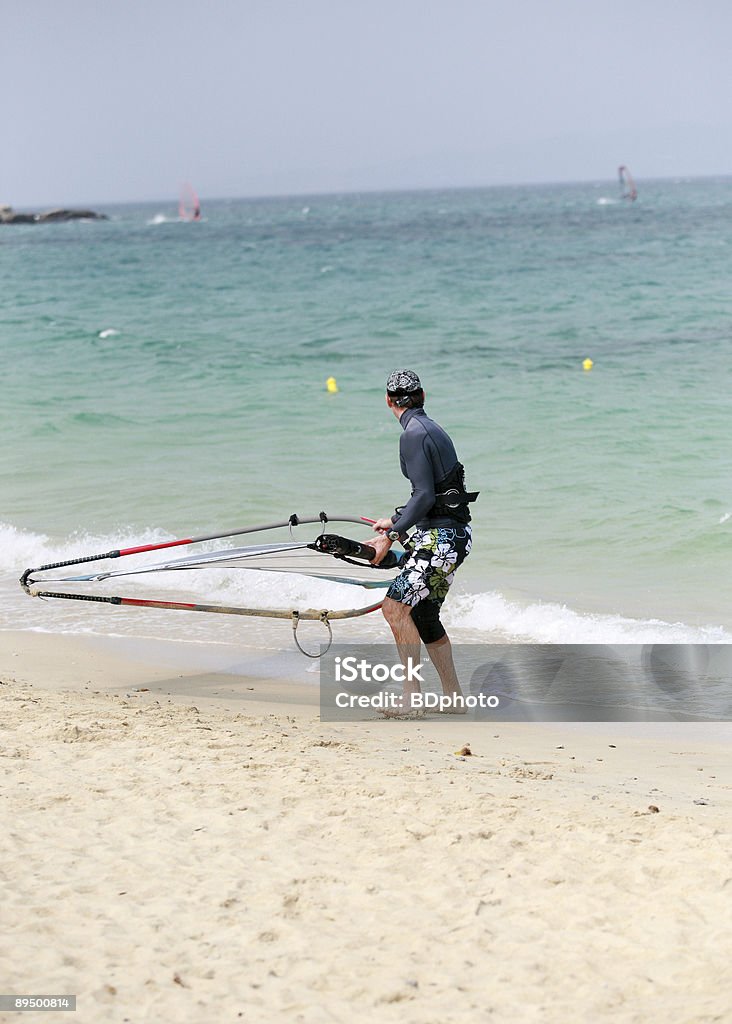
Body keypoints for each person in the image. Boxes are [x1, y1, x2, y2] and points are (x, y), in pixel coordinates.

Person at [369, 369, 477, 714]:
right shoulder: (431, 428)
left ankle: (411, 698)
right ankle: (454, 698)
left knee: (394, 607)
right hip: (453, 536)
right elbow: (431, 497)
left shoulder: (412, 434)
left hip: (441, 538)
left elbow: (424, 494)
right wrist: (397, 519)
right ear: (423, 396)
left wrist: (391, 534)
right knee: (425, 616)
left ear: (388, 401)